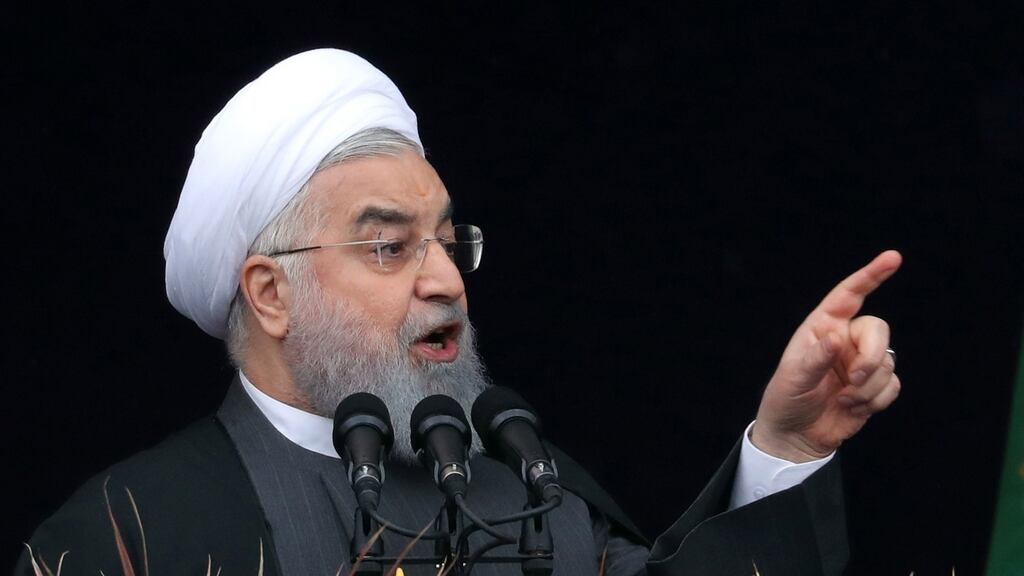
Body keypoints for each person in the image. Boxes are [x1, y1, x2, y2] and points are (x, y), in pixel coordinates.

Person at [16, 49, 901, 576]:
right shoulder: (125, 533)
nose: (445, 280)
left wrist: (788, 447)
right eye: (389, 246)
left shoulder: (524, 491)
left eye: (448, 241)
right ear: (271, 294)